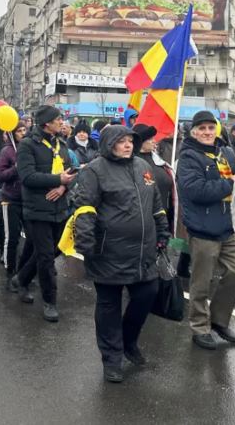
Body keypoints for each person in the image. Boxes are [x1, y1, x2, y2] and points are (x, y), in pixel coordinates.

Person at [73, 126, 170, 383]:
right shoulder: (95, 170)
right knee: (109, 307)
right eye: (121, 141)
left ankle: (129, 341)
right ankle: (111, 358)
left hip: (142, 250)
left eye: (130, 141)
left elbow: (155, 203)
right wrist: (86, 244)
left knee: (147, 293)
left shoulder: (142, 166)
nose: (127, 145)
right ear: (108, 144)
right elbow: (84, 208)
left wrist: (162, 232)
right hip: (107, 252)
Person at [176, 111, 235, 350]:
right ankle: (199, 327)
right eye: (202, 128)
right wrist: (231, 182)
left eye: (210, 128)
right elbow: (197, 191)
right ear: (194, 131)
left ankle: (219, 320)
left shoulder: (225, 151)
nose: (207, 132)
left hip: (228, 225)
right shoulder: (188, 157)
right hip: (203, 228)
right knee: (201, 282)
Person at [7, 105, 76, 322]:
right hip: (37, 210)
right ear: (47, 123)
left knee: (50, 251)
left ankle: (22, 278)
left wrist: (64, 186)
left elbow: (71, 173)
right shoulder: (28, 145)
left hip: (60, 209)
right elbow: (27, 177)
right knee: (46, 257)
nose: (61, 122)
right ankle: (50, 301)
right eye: (58, 119)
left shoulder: (61, 143)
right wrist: (57, 180)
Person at [0, 121, 34, 281]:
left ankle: (25, 270)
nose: (23, 133)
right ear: (12, 133)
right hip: (10, 199)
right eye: (19, 131)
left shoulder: (30, 149)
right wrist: (16, 168)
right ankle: (9, 269)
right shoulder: (7, 151)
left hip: (29, 199)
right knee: (12, 237)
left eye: (25, 130)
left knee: (32, 237)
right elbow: (0, 175)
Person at [133, 124, 175, 232]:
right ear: (141, 142)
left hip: (164, 215)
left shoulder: (157, 160)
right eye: (150, 139)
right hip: (145, 219)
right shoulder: (134, 162)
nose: (154, 141)